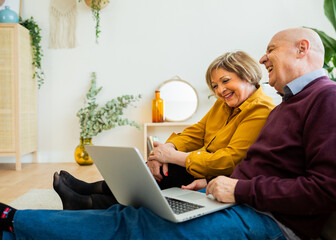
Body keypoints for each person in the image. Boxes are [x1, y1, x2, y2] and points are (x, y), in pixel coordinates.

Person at [0, 27, 336, 240]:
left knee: (136, 228)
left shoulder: (329, 99)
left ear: (302, 49)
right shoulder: (291, 103)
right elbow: (243, 157)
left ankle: (11, 222)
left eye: (271, 48)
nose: (263, 56)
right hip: (243, 201)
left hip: (273, 223)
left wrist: (238, 187)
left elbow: (326, 190)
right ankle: (20, 224)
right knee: (142, 215)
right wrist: (215, 185)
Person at [52, 50, 275, 210]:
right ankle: (91, 191)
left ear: (247, 74)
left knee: (166, 174)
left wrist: (174, 156)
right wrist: (167, 148)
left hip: (224, 173)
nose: (220, 90)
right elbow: (195, 132)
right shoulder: (224, 104)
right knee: (159, 168)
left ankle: (90, 201)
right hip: (203, 164)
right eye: (215, 86)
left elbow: (229, 160)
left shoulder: (260, 110)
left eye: (225, 81)